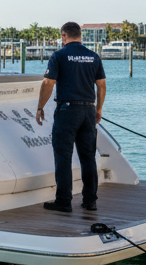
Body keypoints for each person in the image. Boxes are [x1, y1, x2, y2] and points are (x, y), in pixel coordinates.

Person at [35, 22, 106, 213]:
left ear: (64, 35)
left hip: (67, 110)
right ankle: (90, 201)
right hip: (88, 110)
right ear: (80, 35)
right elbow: (101, 86)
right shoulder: (93, 56)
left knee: (63, 156)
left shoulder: (59, 55)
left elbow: (48, 83)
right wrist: (98, 109)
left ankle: (64, 201)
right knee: (88, 157)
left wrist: (40, 107)